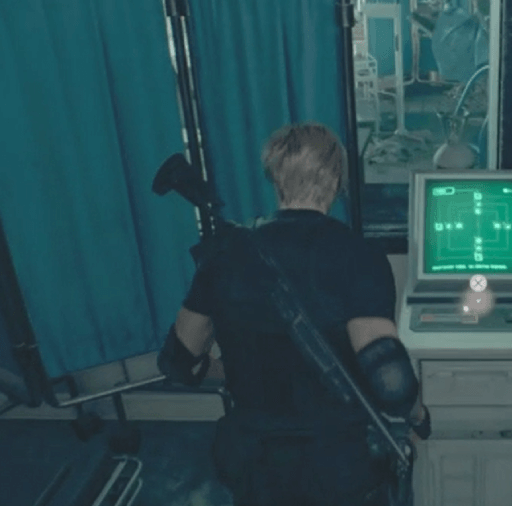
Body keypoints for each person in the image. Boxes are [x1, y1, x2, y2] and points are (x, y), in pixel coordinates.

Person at [157, 122, 430, 506]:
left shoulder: (225, 255)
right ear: (338, 180)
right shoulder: (359, 256)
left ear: (275, 178)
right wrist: (419, 416)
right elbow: (390, 377)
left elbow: (179, 362)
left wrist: (240, 367)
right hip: (340, 464)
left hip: (256, 464)